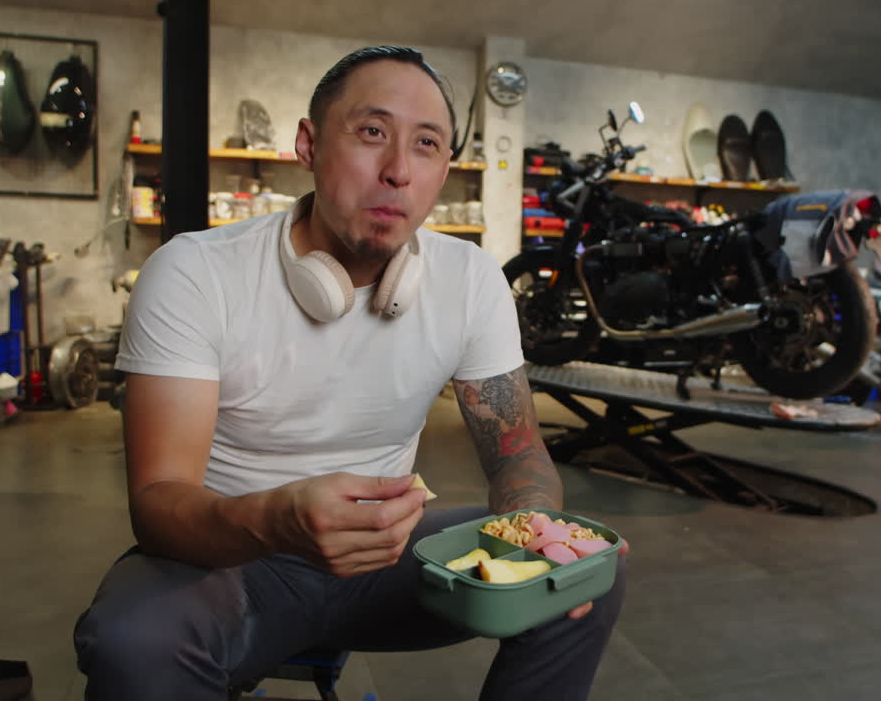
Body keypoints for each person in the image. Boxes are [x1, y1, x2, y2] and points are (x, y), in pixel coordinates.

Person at [72, 45, 627, 701]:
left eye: (426, 144)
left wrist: (537, 539)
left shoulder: (470, 280)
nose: (398, 171)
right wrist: (278, 518)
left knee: (589, 571)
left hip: (387, 559)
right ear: (308, 145)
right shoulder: (195, 273)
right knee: (133, 640)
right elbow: (158, 505)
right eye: (371, 132)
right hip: (232, 562)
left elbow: (518, 455)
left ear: (445, 168)